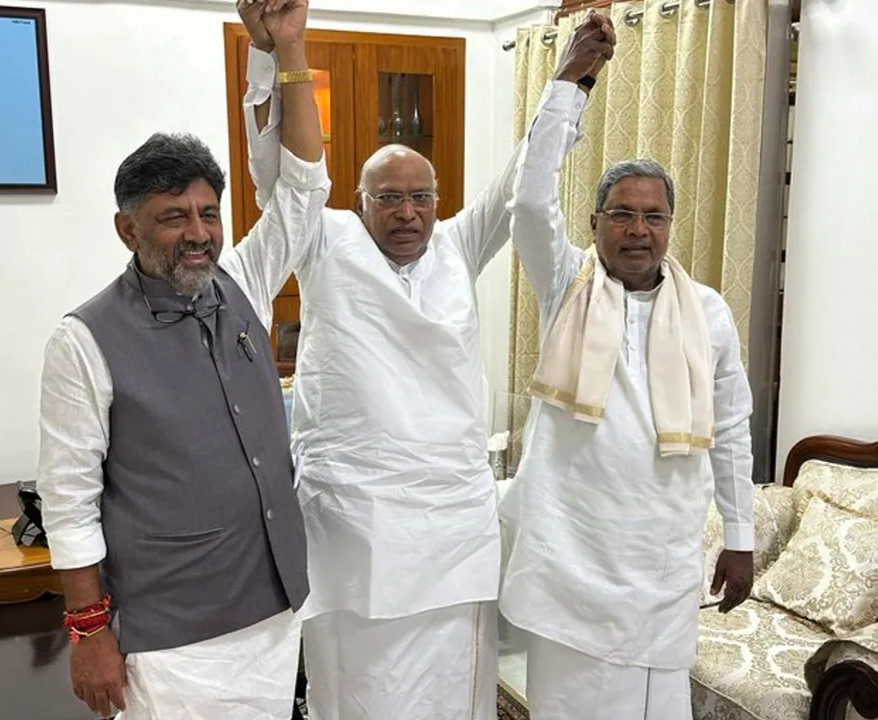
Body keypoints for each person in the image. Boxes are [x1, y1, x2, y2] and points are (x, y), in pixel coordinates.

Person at [232, 4, 614, 719]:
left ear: (438, 203)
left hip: (450, 521)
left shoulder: (458, 244)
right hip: (353, 519)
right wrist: (273, 52)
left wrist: (570, 80)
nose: (406, 213)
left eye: (419, 198)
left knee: (452, 690)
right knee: (358, 688)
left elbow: (521, 181)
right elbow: (275, 172)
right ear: (359, 201)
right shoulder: (323, 241)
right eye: (389, 199)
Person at [35, 2, 328, 718]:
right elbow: (68, 506)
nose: (198, 234)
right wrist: (89, 633)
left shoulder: (246, 286)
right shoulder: (84, 340)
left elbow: (304, 190)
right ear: (127, 229)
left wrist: (284, 50)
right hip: (172, 641)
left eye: (208, 213)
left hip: (273, 608)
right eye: (174, 217)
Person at [498, 13, 756, 719]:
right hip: (573, 558)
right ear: (594, 223)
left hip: (663, 560)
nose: (638, 230)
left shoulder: (708, 312)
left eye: (653, 216)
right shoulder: (564, 288)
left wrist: (740, 536)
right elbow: (527, 199)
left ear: (671, 225)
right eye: (621, 213)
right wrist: (571, 83)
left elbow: (731, 428)